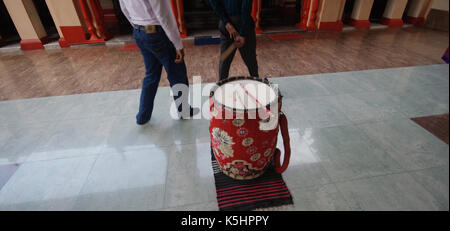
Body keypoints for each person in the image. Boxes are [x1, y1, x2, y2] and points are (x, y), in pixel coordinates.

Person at [119, 0, 199, 125]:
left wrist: (138, 27)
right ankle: (184, 111)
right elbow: (164, 15)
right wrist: (177, 44)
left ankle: (142, 116)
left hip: (139, 31)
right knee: (177, 73)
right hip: (156, 32)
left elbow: (124, 9)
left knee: (151, 75)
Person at [209, 0, 259, 80]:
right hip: (243, 26)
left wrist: (227, 24)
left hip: (227, 28)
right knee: (251, 61)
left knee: (224, 61)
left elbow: (214, 3)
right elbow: (246, 7)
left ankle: (221, 87)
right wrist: (242, 33)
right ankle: (257, 86)